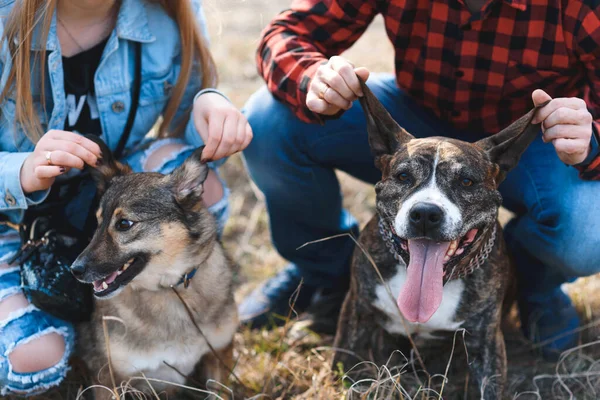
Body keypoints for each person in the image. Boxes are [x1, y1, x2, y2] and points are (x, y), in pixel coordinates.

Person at [241, 0, 600, 358]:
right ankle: (326, 272)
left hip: (521, 140)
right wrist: (313, 77)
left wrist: (591, 135)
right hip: (412, 123)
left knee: (588, 228)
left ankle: (530, 284)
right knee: (269, 123)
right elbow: (285, 33)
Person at [0, 0, 252, 395]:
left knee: (203, 188)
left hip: (109, 200)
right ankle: (71, 324)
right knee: (33, 357)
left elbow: (189, 139)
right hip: (14, 224)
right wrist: (22, 172)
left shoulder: (167, 14)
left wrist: (208, 102)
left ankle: (172, 317)